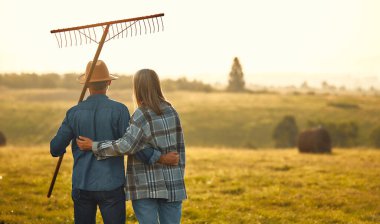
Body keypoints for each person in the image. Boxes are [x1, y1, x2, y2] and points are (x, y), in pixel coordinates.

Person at [50, 61, 179, 224]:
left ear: (87, 84)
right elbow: (134, 146)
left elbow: (55, 148)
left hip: (82, 184)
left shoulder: (74, 113)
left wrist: (62, 148)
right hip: (112, 186)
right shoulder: (119, 110)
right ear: (109, 82)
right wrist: (160, 158)